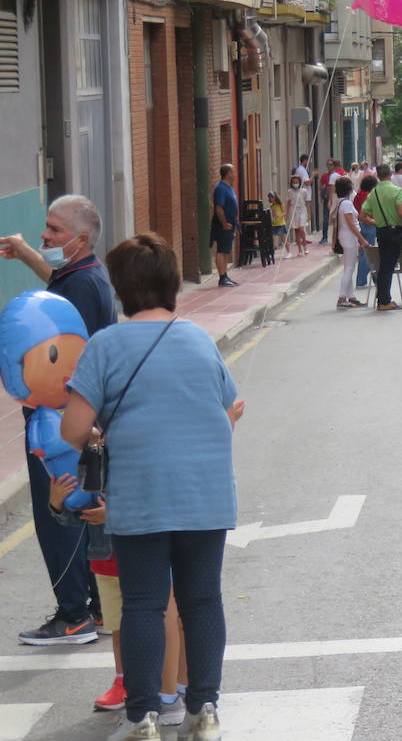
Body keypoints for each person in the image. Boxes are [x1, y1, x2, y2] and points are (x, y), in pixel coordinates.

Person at [61, 233, 243, 740]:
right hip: (206, 491)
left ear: (121, 289)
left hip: (141, 493)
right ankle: (204, 709)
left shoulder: (106, 345)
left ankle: (143, 716)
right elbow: (229, 405)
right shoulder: (198, 339)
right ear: (170, 284)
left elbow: (74, 431)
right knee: (203, 600)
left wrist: (101, 431)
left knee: (143, 601)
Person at [1, 194, 116, 645]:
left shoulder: (83, 288)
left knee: (59, 512)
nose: (45, 236)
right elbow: (55, 278)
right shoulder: (81, 275)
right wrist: (27, 251)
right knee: (80, 508)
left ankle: (73, 616)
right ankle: (98, 606)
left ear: (81, 239)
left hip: (62, 423)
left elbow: (67, 357)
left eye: (54, 231)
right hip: (72, 420)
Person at [48, 472, 188, 725]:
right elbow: (77, 514)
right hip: (106, 562)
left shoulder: (140, 457)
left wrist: (115, 513)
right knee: (120, 628)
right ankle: (124, 680)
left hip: (149, 558)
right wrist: (57, 503)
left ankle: (178, 688)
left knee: (171, 620)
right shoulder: (94, 463)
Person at [359, 164, 402, 310]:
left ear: (378, 176)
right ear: (390, 174)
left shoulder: (373, 193)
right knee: (388, 267)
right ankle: (384, 301)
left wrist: (375, 222)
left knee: (384, 266)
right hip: (395, 231)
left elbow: (362, 216)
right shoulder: (397, 190)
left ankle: (382, 299)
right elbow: (401, 211)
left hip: (381, 232)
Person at [333, 177, 369, 309]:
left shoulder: (341, 202)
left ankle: (351, 297)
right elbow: (352, 224)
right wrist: (362, 239)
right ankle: (342, 298)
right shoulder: (347, 204)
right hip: (349, 237)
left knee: (348, 267)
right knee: (349, 269)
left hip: (346, 237)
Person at [210, 164, 239, 287]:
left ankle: (225, 275)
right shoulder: (221, 188)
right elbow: (219, 208)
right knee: (221, 250)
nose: (235, 174)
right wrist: (224, 223)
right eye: (233, 172)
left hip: (230, 224)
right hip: (223, 225)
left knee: (226, 250)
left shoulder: (229, 188)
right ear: (228, 174)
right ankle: (222, 278)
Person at [352, 176, 379, 292]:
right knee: (367, 253)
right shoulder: (369, 196)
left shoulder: (358, 194)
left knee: (366, 252)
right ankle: (362, 279)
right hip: (369, 224)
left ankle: (375, 277)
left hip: (361, 225)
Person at [285, 176, 309, 258]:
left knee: (302, 229)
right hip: (293, 211)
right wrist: (287, 214)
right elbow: (288, 203)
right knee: (296, 231)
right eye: (294, 182)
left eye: (297, 182)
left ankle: (305, 246)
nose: (295, 184)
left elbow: (306, 201)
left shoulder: (303, 191)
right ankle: (299, 250)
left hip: (302, 210)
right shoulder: (289, 192)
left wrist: (309, 213)